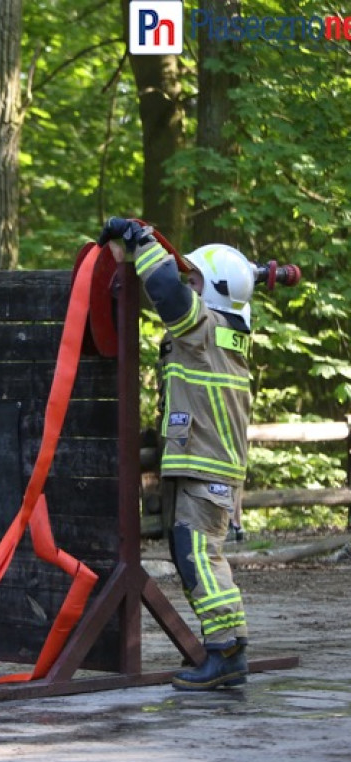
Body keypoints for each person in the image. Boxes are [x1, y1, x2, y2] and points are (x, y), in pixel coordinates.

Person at [99, 218, 253, 691]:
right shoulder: (221, 334)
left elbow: (165, 289)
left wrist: (141, 240)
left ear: (214, 292)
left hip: (207, 463)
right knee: (193, 555)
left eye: (197, 280)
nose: (189, 284)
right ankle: (225, 649)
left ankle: (226, 653)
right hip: (206, 461)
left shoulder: (205, 330)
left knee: (199, 556)